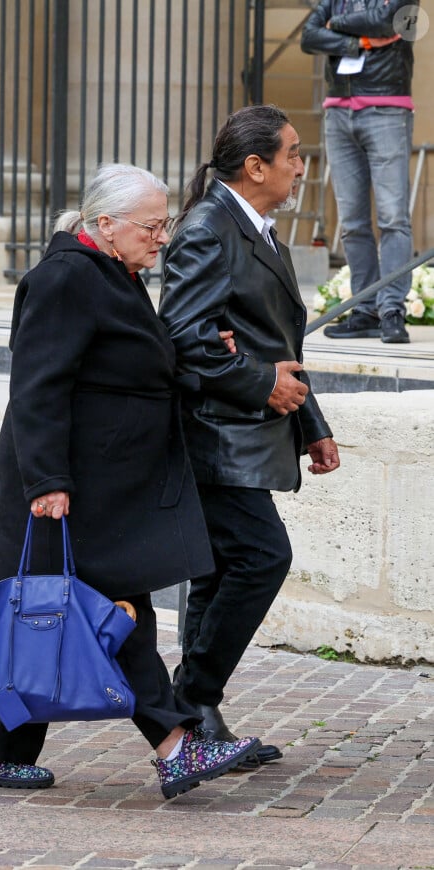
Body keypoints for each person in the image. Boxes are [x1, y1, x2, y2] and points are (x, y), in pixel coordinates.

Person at [0, 163, 262, 800]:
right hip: (66, 484)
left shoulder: (110, 275)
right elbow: (37, 386)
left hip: (101, 482)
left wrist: (188, 359)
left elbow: (123, 366)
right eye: (152, 225)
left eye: (164, 223)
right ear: (106, 224)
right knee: (100, 612)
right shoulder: (65, 278)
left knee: (62, 612)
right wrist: (46, 482)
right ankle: (175, 746)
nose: (162, 237)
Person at [158, 105, 341, 746]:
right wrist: (263, 383)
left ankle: (195, 718)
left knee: (220, 568)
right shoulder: (209, 229)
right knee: (264, 556)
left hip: (249, 428)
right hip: (214, 431)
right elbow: (184, 337)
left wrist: (310, 422)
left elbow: (280, 342)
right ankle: (193, 698)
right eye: (291, 153)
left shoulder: (261, 233)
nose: (299, 164)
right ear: (255, 165)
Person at [301, 0, 416, 344]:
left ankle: (392, 309)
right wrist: (358, 43)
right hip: (337, 111)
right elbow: (308, 37)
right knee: (351, 222)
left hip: (387, 108)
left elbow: (385, 21)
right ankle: (365, 310)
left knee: (393, 217)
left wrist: (335, 25)